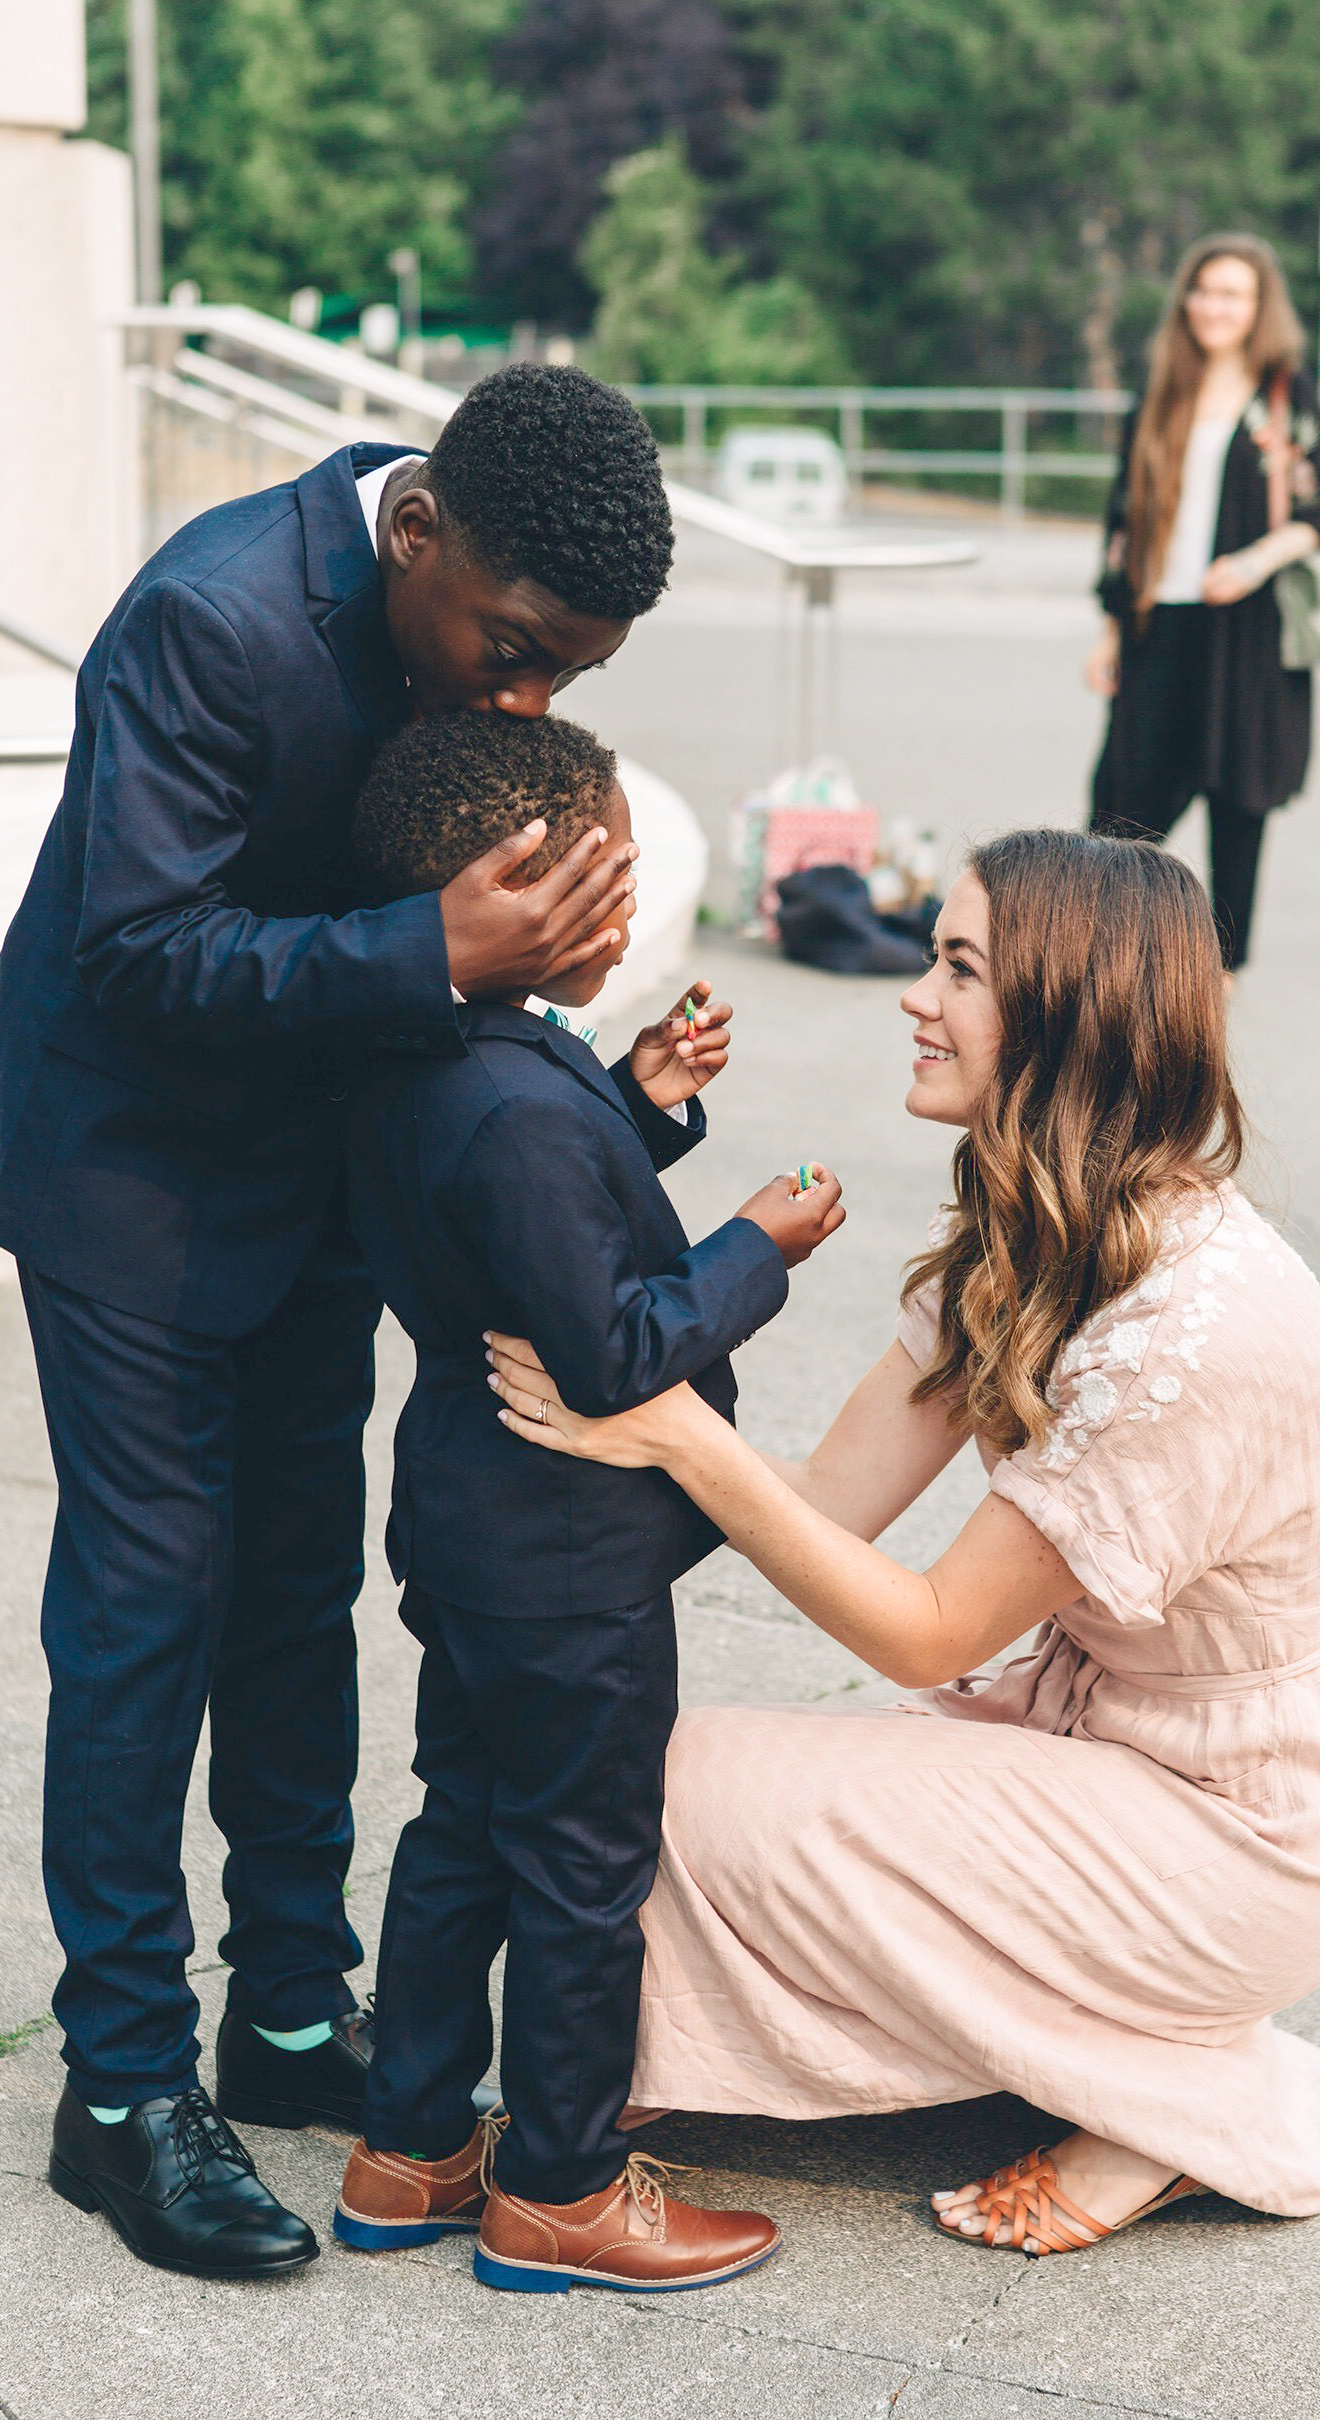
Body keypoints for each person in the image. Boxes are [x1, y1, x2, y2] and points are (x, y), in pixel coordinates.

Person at [0, 365, 687, 2279]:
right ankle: (117, 2088)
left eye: (566, 680)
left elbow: (437, 898)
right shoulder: (209, 616)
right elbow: (134, 946)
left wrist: (546, 990)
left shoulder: (472, 630)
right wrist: (430, 950)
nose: (523, 702)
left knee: (295, 1587)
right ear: (417, 533)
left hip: (310, 1171)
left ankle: (286, 2014)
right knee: (149, 1599)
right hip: (121, 1166)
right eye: (513, 653)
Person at [487, 828, 1320, 2257]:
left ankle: (1175, 2108)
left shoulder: (1196, 1325)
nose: (913, 995)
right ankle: (663, 2079)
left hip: (1249, 1834)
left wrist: (670, 1429)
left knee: (667, 1792)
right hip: (1107, 1754)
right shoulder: (1032, 1216)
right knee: (626, 1766)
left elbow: (922, 1629)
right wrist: (602, 1402)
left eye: (959, 966)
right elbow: (828, 1499)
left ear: (1067, 1011)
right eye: (931, 954)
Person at [334, 707, 843, 2291]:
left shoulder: (435, 1049)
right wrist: (755, 1243)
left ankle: (408, 2152)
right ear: (511, 888)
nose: (626, 914)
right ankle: (558, 2182)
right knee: (580, 1865)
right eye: (604, 881)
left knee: (465, 1827)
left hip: (468, 1526)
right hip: (566, 1553)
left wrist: (634, 1091)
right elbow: (615, 1346)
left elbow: (511, 1219)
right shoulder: (517, 1108)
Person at [1085, 234, 1320, 972]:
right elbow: (1120, 520)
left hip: (1248, 632)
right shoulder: (1161, 394)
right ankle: (1089, 952)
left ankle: (1222, 970)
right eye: (1202, 290)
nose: (1212, 306)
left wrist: (1253, 560)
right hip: (1155, 621)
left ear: (1260, 308)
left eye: (1231, 293)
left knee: (1238, 802)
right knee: (1119, 802)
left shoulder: (1286, 401)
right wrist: (1109, 632)